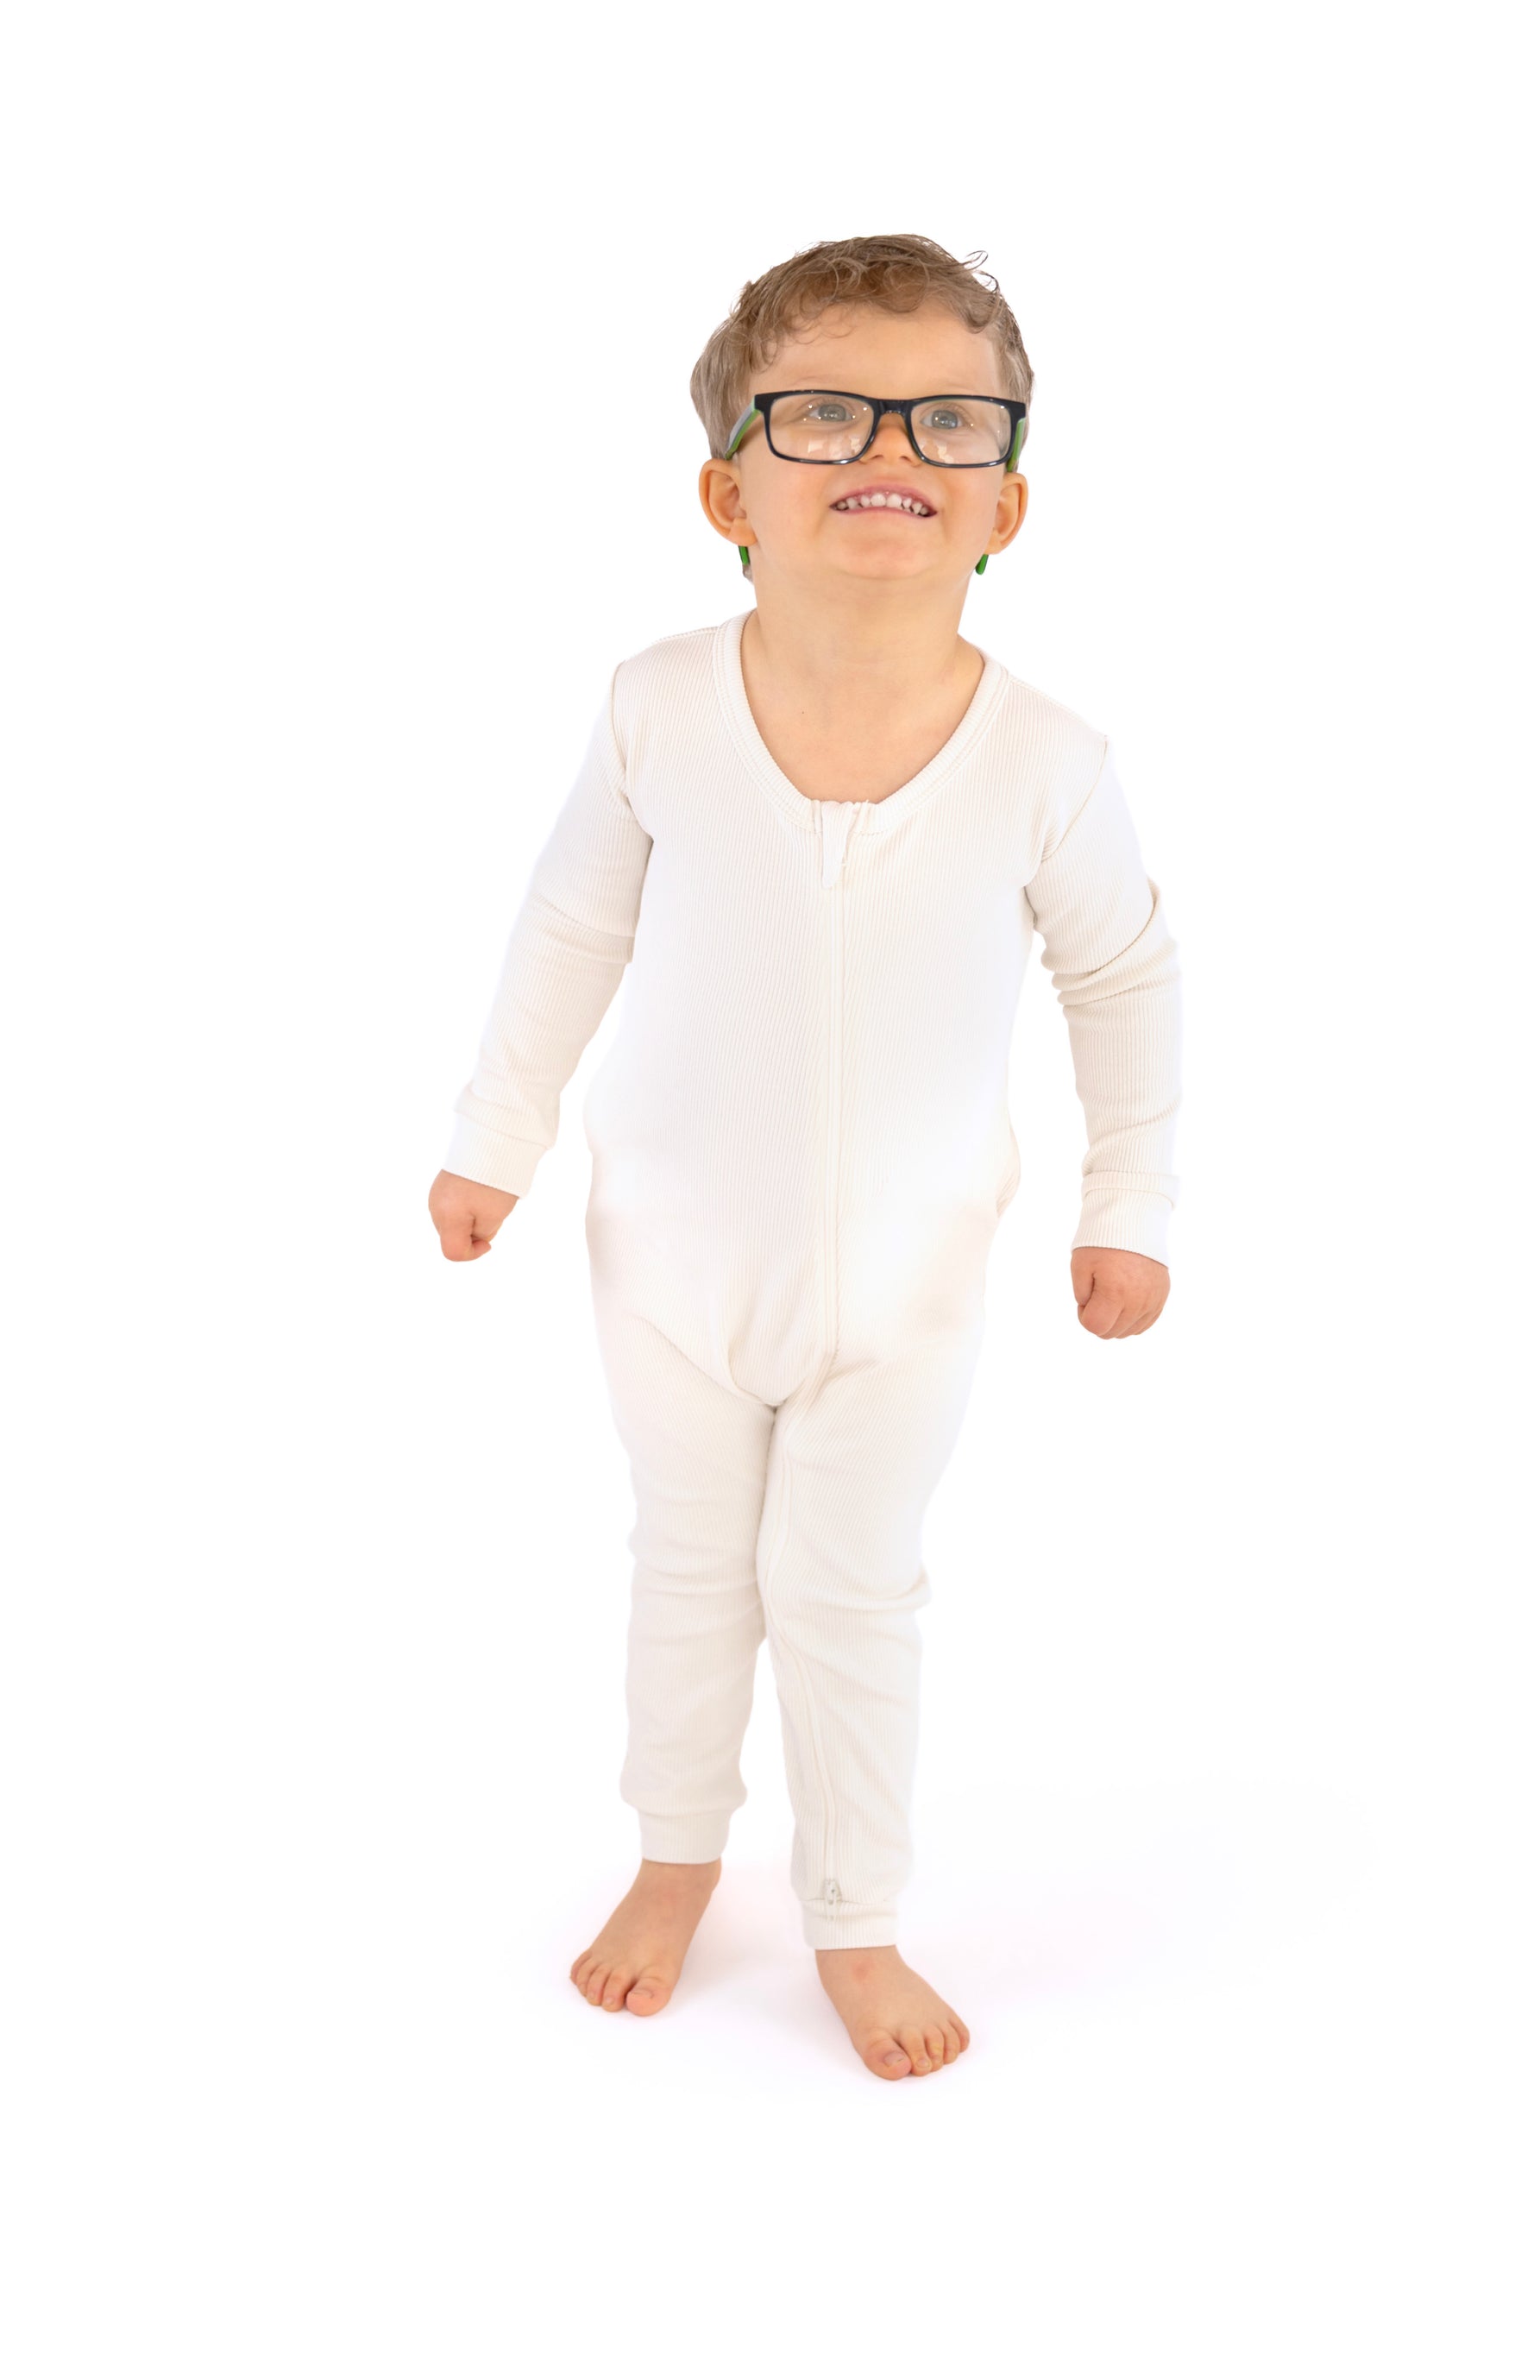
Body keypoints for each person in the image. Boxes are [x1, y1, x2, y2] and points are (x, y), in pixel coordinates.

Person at [427, 234, 1182, 2081]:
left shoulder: (1048, 760)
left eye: (944, 415)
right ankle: (673, 1854)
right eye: (827, 409)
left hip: (908, 1281)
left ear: (1006, 494)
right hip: (668, 1264)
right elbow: (563, 937)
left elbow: (1124, 974)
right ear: (727, 484)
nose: (887, 443)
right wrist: (490, 1142)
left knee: (848, 1587)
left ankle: (854, 1909)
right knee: (688, 1566)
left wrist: (1128, 1201)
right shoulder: (655, 707)